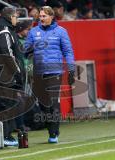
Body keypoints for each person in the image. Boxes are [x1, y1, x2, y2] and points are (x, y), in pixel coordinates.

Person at [24, 6, 75, 143]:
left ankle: (54, 132)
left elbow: (68, 52)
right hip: (38, 73)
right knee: (43, 105)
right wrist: (27, 50)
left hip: (55, 72)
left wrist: (71, 70)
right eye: (40, 16)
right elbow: (26, 50)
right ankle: (51, 127)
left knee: (53, 103)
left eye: (44, 16)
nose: (41, 19)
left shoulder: (61, 32)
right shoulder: (33, 32)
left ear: (52, 17)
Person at [0, 7, 24, 147]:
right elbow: (7, 53)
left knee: (8, 104)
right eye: (15, 16)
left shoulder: (7, 30)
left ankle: (7, 135)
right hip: (6, 75)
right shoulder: (5, 31)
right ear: (9, 17)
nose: (17, 19)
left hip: (6, 74)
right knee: (5, 105)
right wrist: (17, 72)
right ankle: (5, 136)